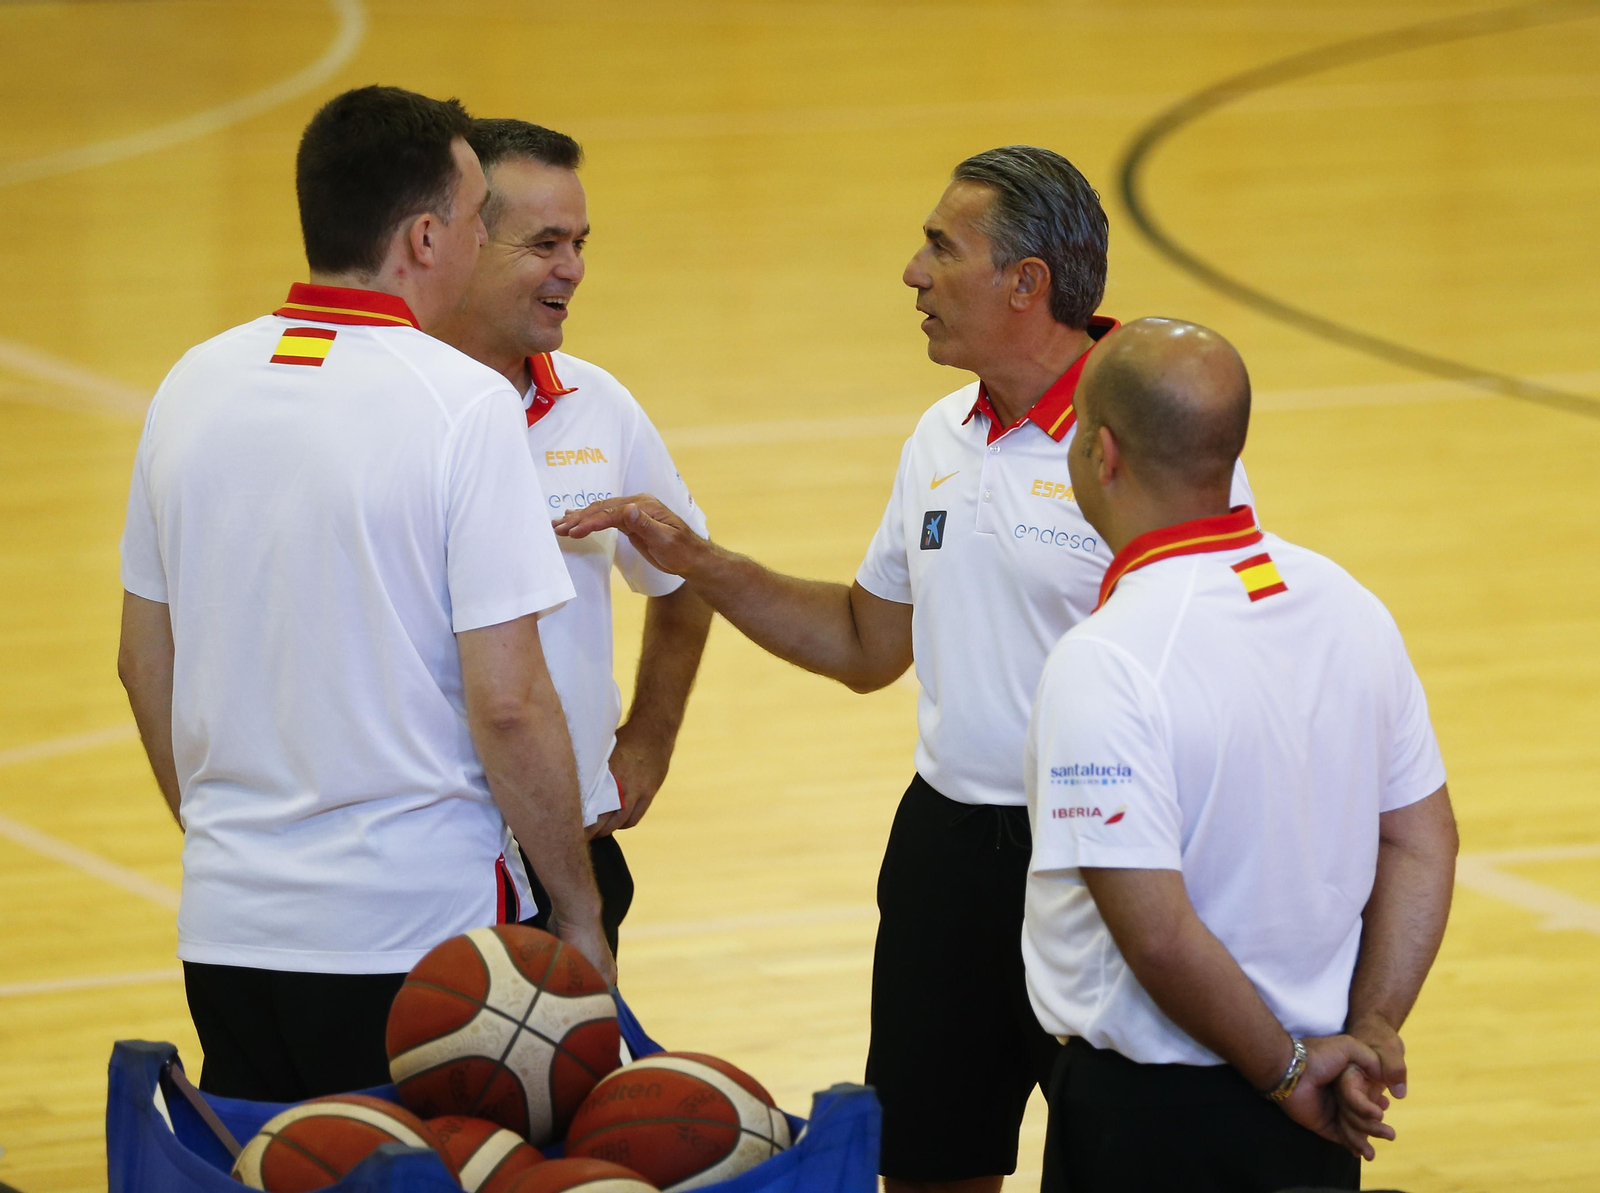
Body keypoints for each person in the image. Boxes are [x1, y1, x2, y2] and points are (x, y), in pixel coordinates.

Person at [554, 147, 1252, 1193]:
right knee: (925, 1166)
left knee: (1119, 1168)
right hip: (946, 854)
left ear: (1029, 283)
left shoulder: (1149, 436)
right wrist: (699, 562)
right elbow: (862, 641)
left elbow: (1218, 666)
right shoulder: (940, 434)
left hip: (1101, 857)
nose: (912, 273)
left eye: (941, 247)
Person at [116, 86, 612, 1102]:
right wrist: (577, 907)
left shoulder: (189, 383)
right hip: (414, 940)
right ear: (426, 237)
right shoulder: (464, 405)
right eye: (480, 220)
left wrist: (236, 851)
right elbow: (510, 703)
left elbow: (141, 660)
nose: (484, 240)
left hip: (228, 926)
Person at [1022, 318, 1457, 1192]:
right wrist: (1369, 1030)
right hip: (1326, 1108)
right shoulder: (1349, 605)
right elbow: (1424, 838)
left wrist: (1288, 1073)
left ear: (1101, 454)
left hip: (1158, 1124)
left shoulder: (1106, 659)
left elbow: (1160, 935)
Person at [435, 119, 713, 955]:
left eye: (581, 242)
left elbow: (688, 572)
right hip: (425, 874)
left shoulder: (599, 405)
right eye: (545, 242)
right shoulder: (388, 411)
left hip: (572, 856)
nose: (574, 270)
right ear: (462, 241)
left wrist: (649, 744)